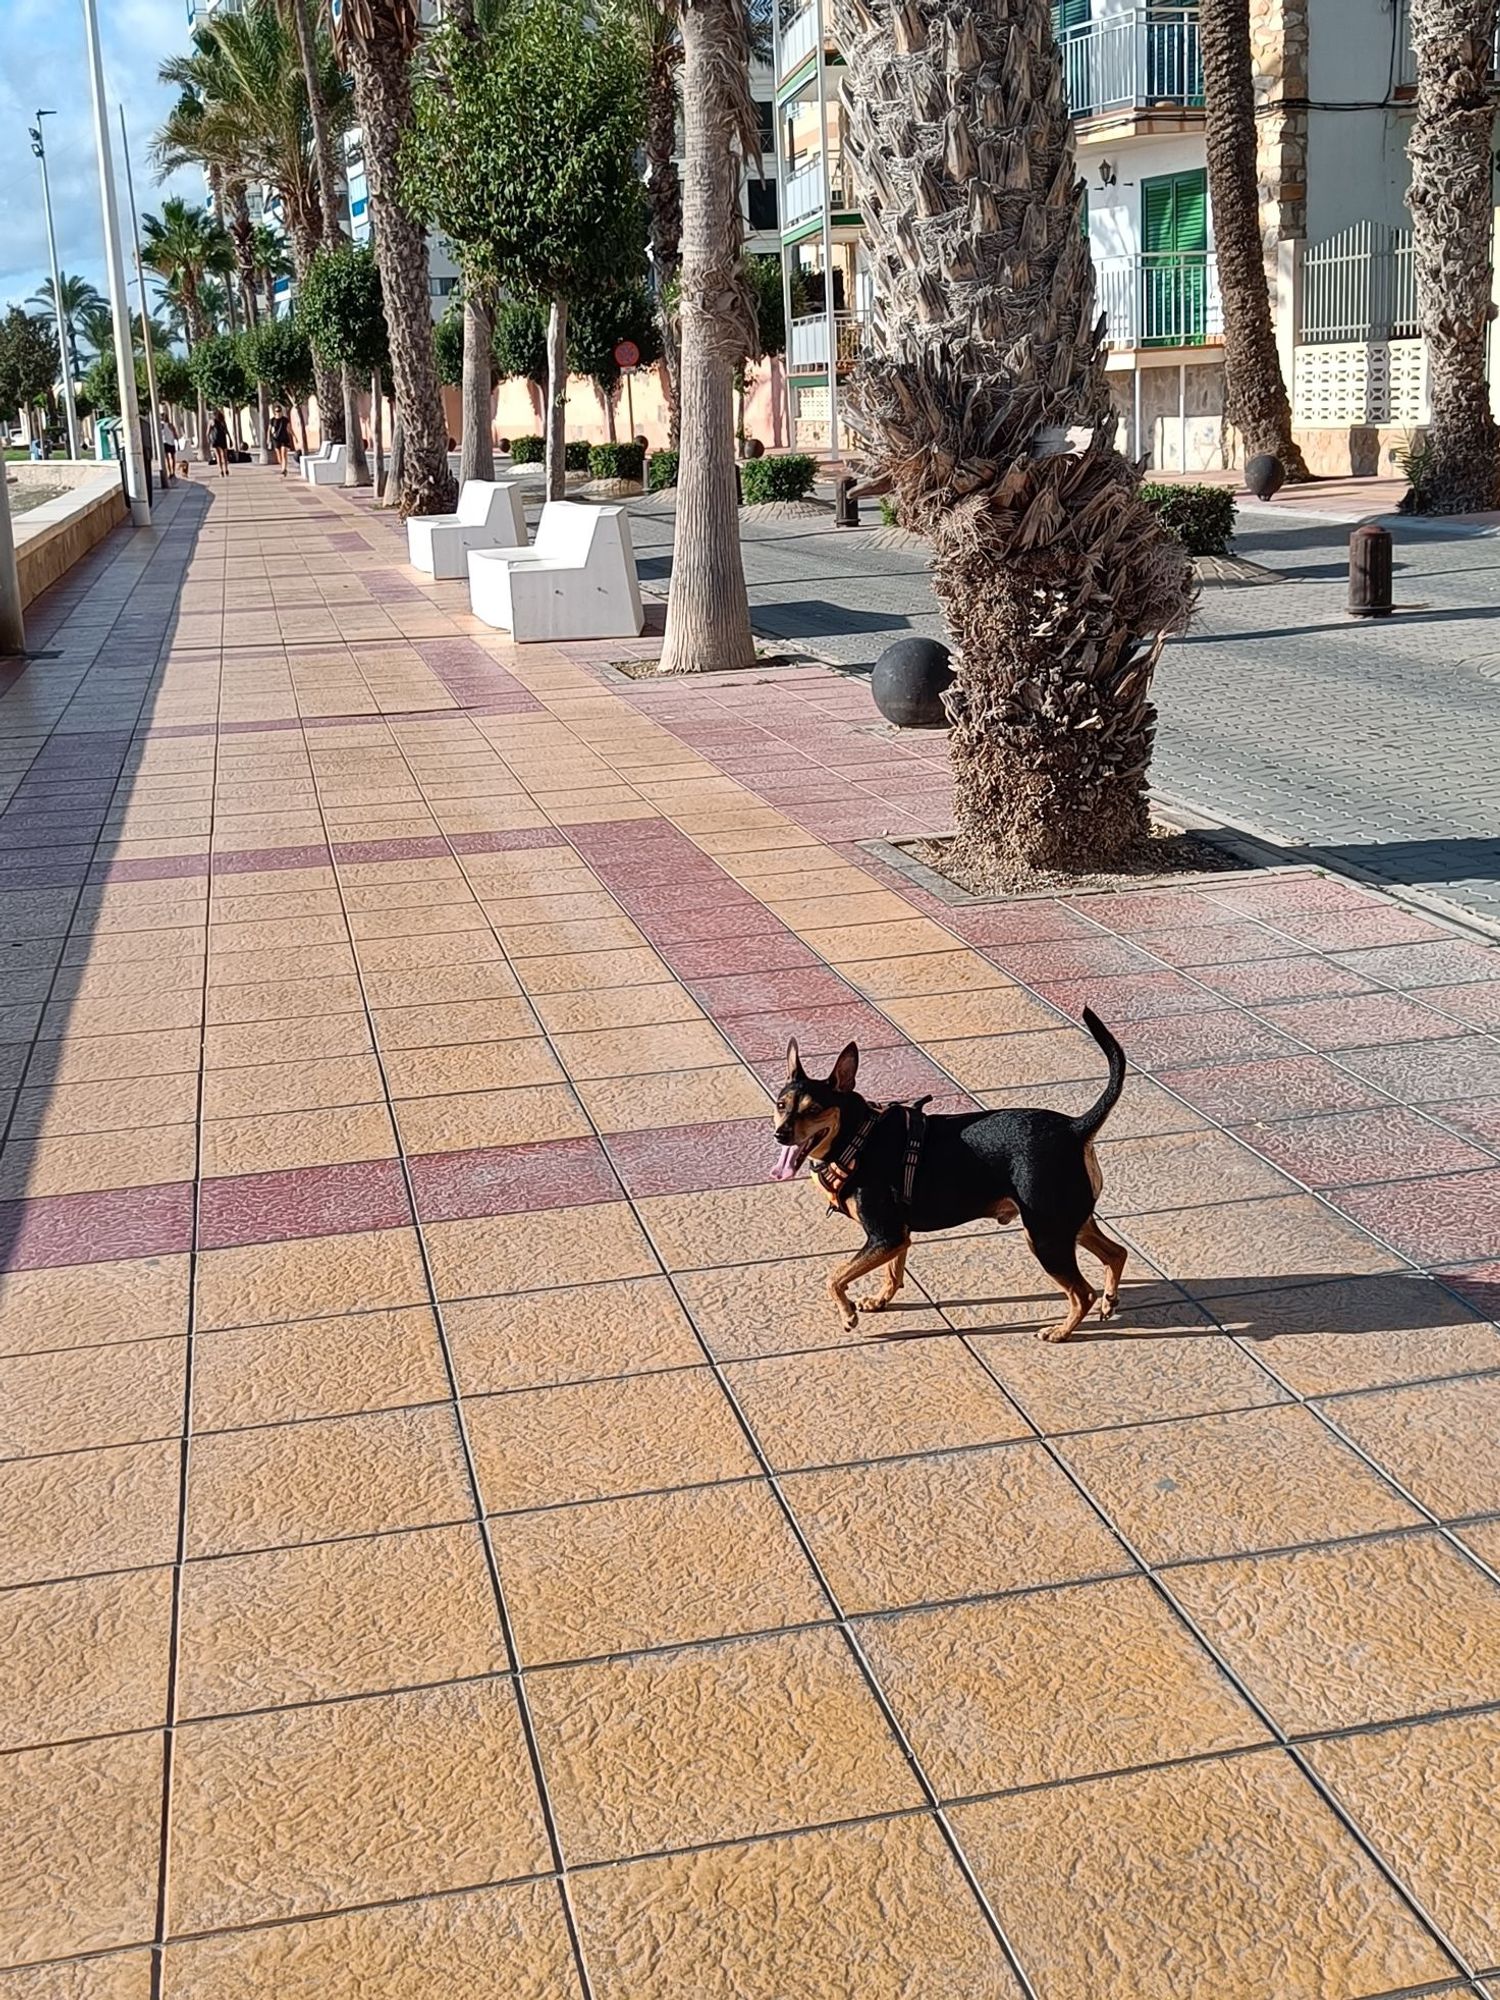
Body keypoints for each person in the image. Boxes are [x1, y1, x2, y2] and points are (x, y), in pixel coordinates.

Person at [267, 403, 294, 477]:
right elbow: (269, 430)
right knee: (279, 457)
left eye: (279, 411)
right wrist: (268, 439)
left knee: (283, 454)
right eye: (276, 411)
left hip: (284, 439)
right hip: (276, 439)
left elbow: (289, 429)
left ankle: (284, 469)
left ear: (281, 411)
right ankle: (282, 466)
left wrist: (294, 437)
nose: (278, 412)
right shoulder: (272, 420)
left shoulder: (285, 420)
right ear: (274, 412)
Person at [208, 409, 230, 478]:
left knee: (224, 455)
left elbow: (226, 430)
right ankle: (221, 470)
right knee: (218, 456)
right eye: (214, 414)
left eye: (215, 413)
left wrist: (230, 438)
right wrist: (209, 440)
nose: (215, 415)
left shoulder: (222, 421)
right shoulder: (212, 421)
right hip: (215, 439)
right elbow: (208, 432)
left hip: (223, 439)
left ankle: (226, 469)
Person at [159, 409, 178, 483]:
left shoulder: (170, 425)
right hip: (165, 442)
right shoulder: (161, 425)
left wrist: (176, 438)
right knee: (167, 458)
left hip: (171, 442)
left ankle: (173, 472)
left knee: (172, 458)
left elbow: (174, 432)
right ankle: (170, 472)